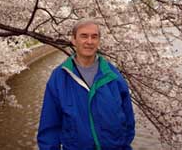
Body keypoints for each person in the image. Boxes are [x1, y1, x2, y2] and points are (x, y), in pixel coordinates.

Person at [37, 19, 135, 150]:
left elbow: (128, 119)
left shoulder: (113, 75)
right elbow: (49, 127)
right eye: (84, 36)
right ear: (73, 40)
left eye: (94, 37)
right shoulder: (59, 78)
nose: (89, 41)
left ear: (99, 41)